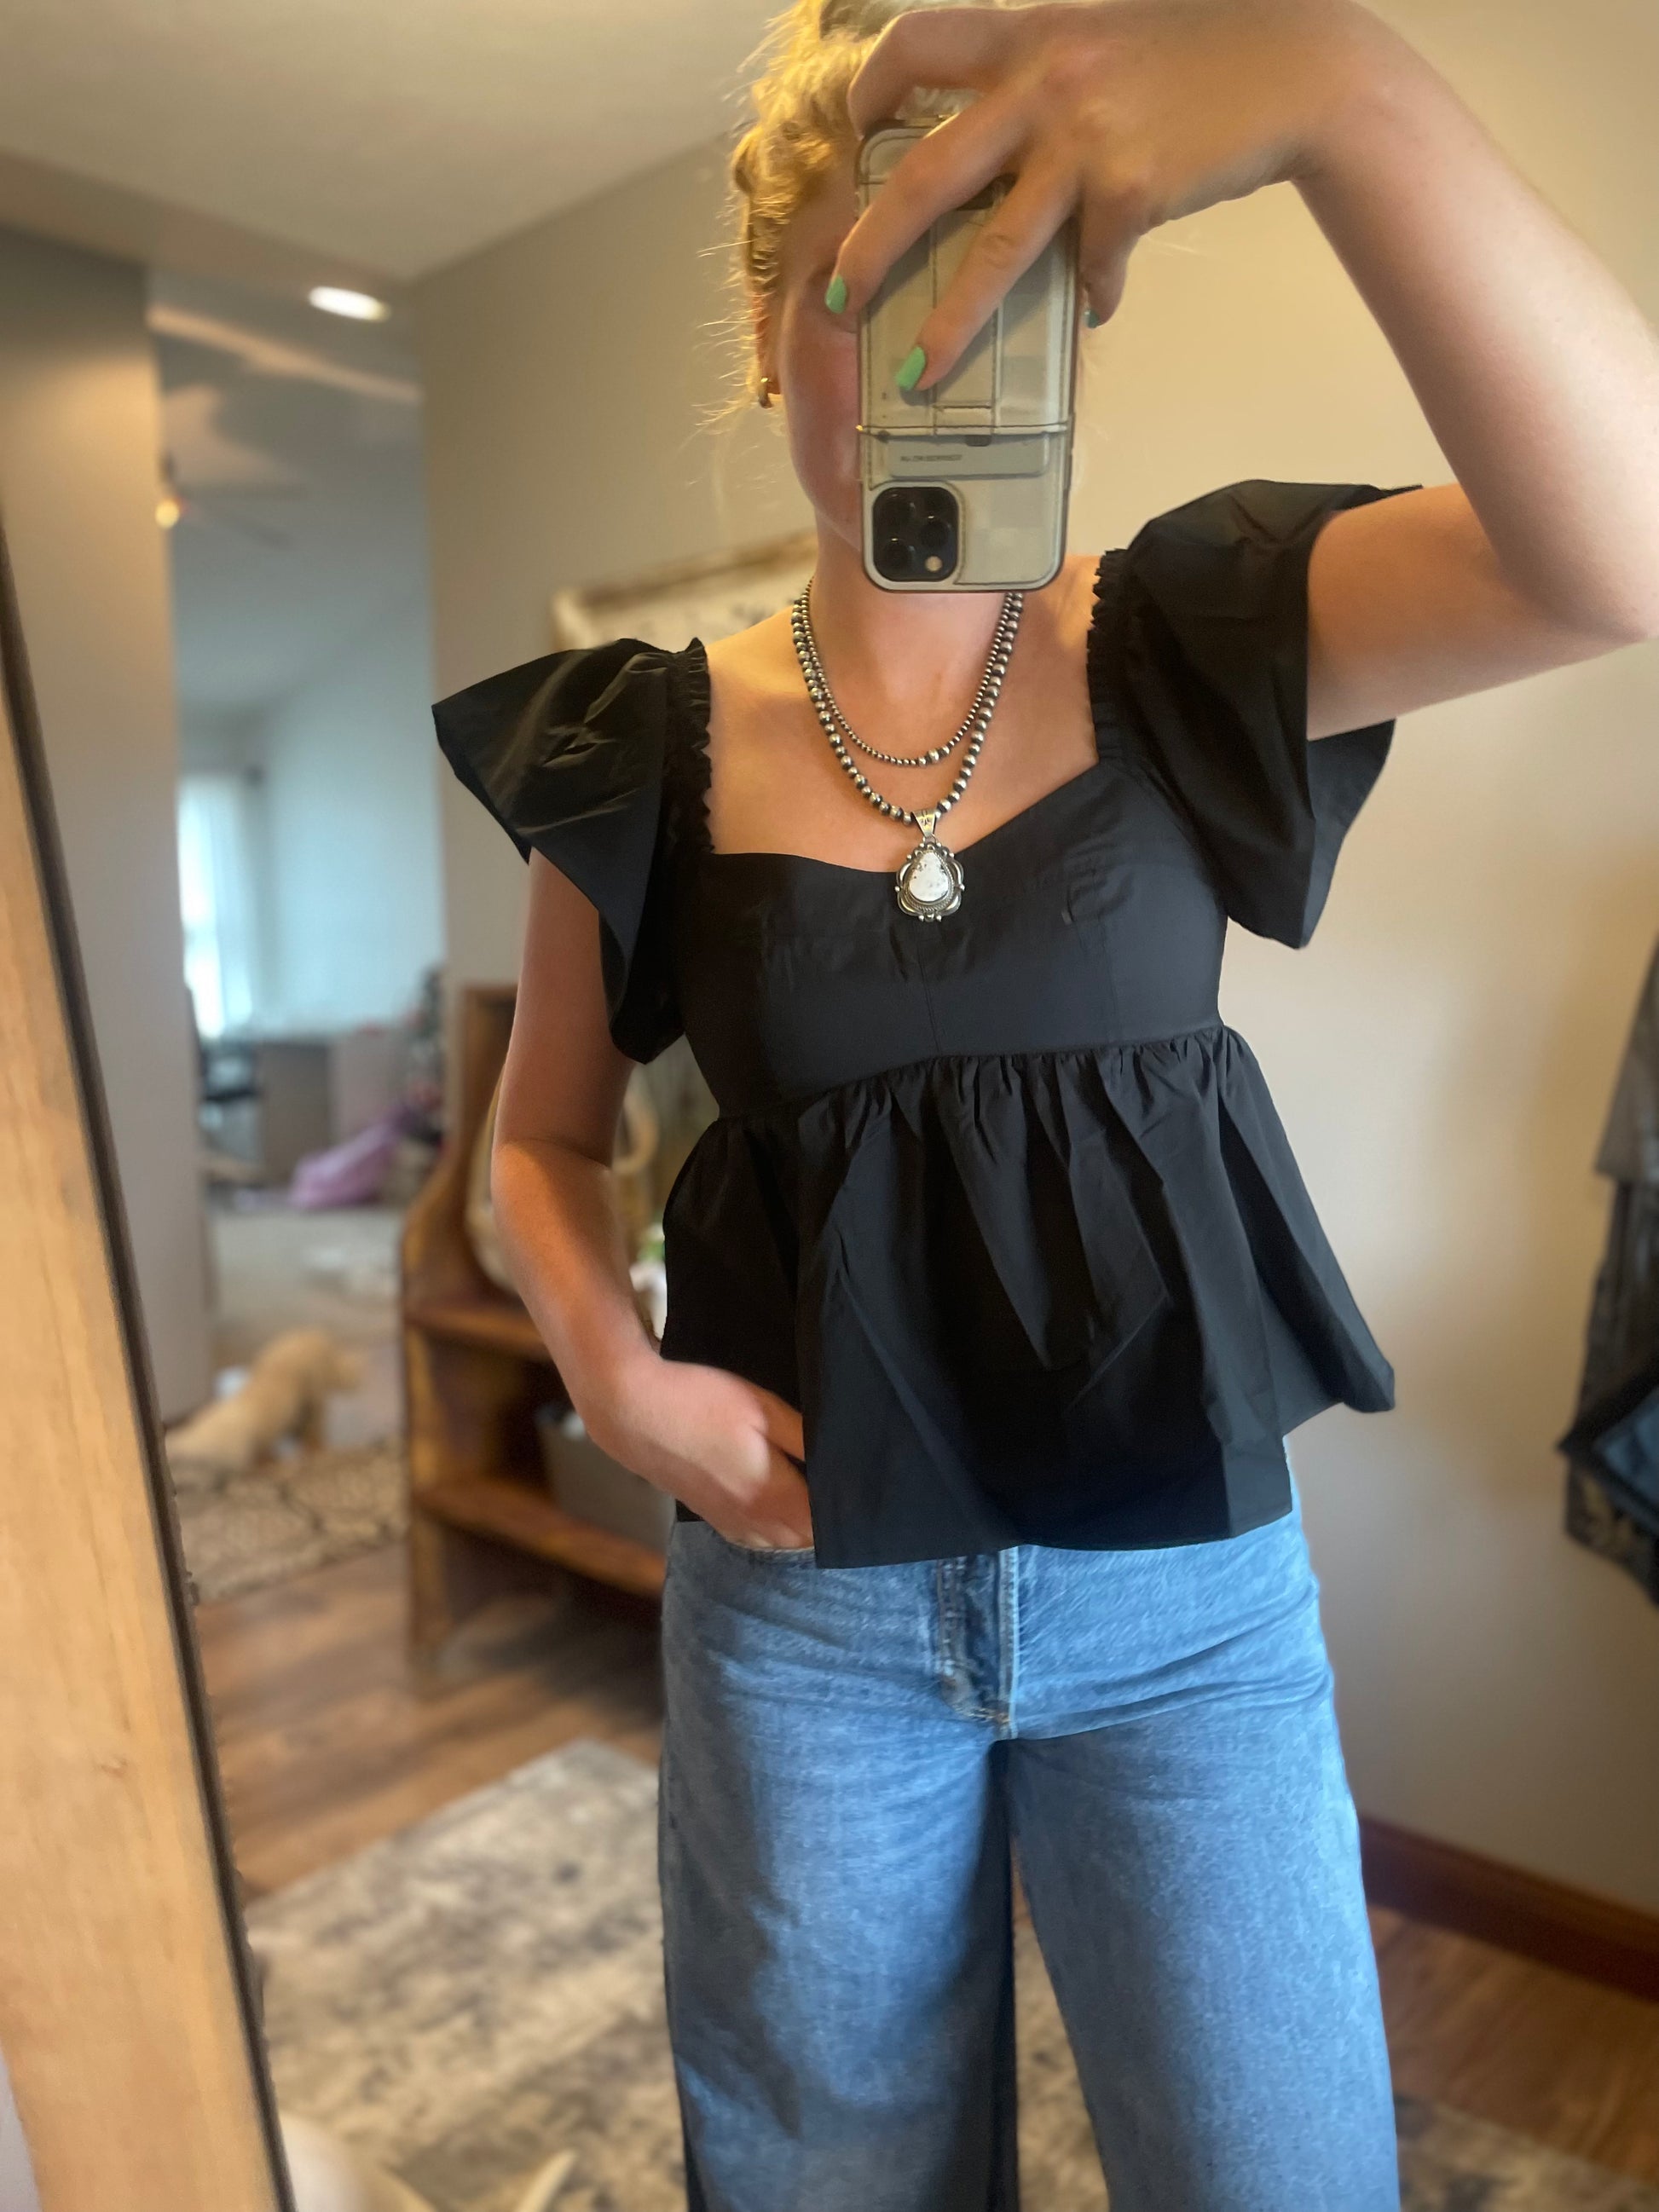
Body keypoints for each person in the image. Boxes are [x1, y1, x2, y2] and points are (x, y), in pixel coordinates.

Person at [431, 3, 1659, 2205]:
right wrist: (614, 1377)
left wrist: (1342, 91)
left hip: (1183, 1609)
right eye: (874, 289)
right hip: (802, 1616)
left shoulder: (1187, 638)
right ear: (768, 330)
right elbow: (532, 1141)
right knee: (830, 2182)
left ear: (1078, 330)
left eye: (999, 294)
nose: (933, 355)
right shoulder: (634, 746)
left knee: (1277, 2172)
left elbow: (1619, 553)